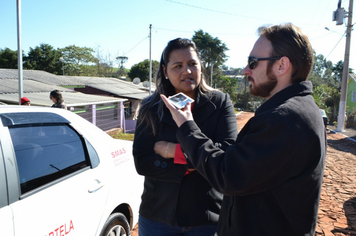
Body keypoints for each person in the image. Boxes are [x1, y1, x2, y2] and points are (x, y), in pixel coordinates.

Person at [160, 23, 327, 236]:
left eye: (253, 62)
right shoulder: (299, 110)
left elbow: (228, 173)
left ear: (282, 66)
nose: (245, 70)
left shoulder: (282, 120)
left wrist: (186, 125)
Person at [132, 38, 238, 236]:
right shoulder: (150, 108)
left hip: (207, 217)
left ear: (200, 67)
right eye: (178, 66)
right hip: (158, 216)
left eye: (192, 64)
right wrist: (201, 161)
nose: (187, 71)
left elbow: (228, 153)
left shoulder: (220, 103)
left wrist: (173, 152)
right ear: (165, 71)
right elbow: (142, 161)